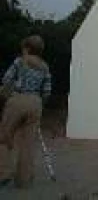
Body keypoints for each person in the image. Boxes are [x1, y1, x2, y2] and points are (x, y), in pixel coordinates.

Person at [0, 35, 52, 189]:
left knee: (4, 137)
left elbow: (7, 80)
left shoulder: (20, 62)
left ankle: (3, 174)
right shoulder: (45, 67)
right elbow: (47, 91)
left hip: (18, 99)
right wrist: (39, 103)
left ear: (28, 48)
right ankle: (23, 180)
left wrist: (4, 96)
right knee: (28, 144)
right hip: (36, 103)